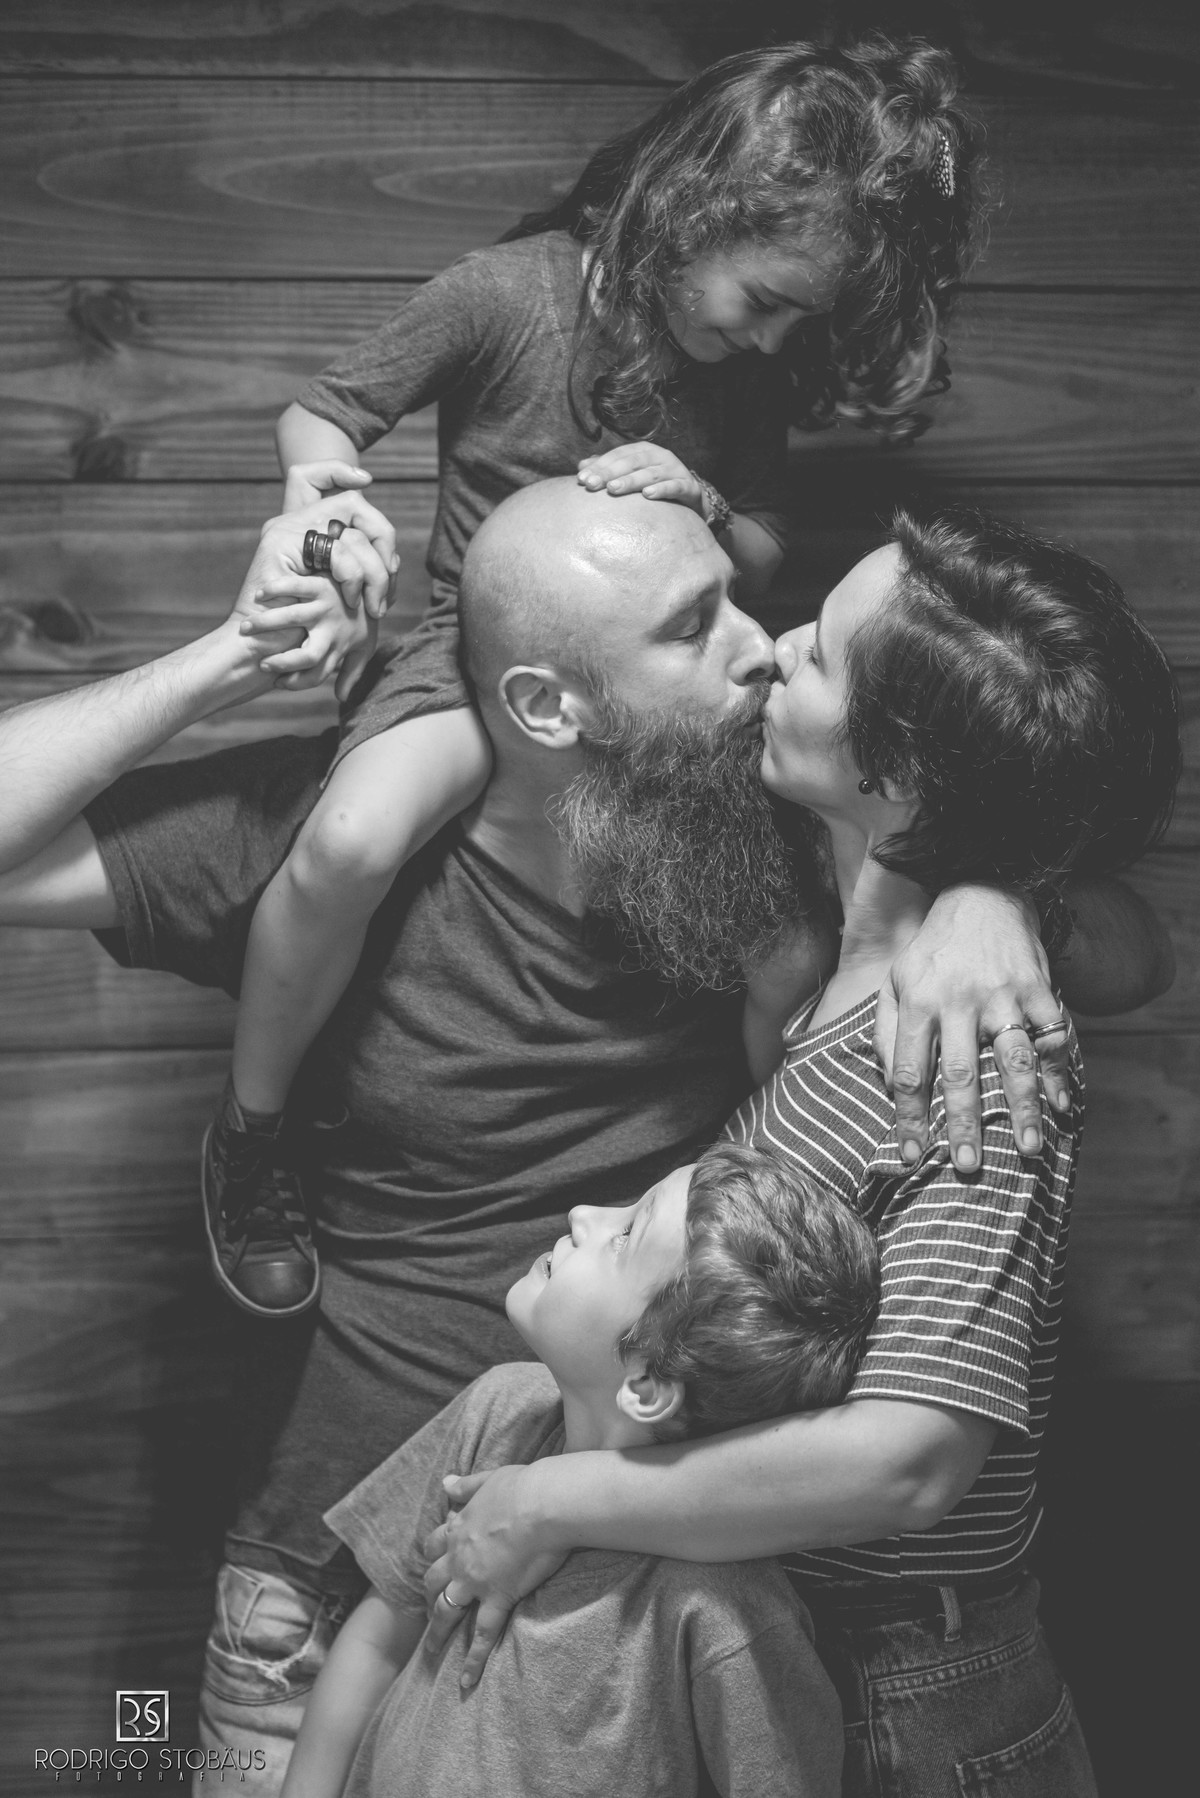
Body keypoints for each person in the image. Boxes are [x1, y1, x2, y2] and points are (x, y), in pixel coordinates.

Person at [0, 478, 1169, 1795]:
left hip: (655, 1611)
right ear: (549, 703)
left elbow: (1102, 914)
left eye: (756, 608)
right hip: (335, 1565)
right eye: (693, 623)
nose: (761, 644)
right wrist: (237, 653)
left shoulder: (802, 887)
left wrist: (991, 897)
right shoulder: (347, 837)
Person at [208, 34, 984, 1317]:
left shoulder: (750, 375)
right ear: (696, 209)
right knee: (348, 842)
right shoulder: (505, 295)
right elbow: (324, 411)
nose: (776, 335)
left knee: (791, 940)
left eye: (800, 318)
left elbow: (760, 548)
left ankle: (772, 1194)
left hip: (665, 688)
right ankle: (252, 1135)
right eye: (768, 298)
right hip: (480, 657)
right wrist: (316, 497)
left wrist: (707, 501)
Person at [416, 508, 1182, 1798]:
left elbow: (910, 1460)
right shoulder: (866, 968)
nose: (773, 649)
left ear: (900, 771)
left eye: (817, 652)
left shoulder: (966, 1050)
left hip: (913, 1691)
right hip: (811, 1664)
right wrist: (993, 886)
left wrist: (548, 1500)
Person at [280, 1143, 879, 1798]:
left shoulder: (723, 1608)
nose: (583, 1213)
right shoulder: (496, 1412)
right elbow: (378, 1642)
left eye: (625, 1237)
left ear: (647, 1383)